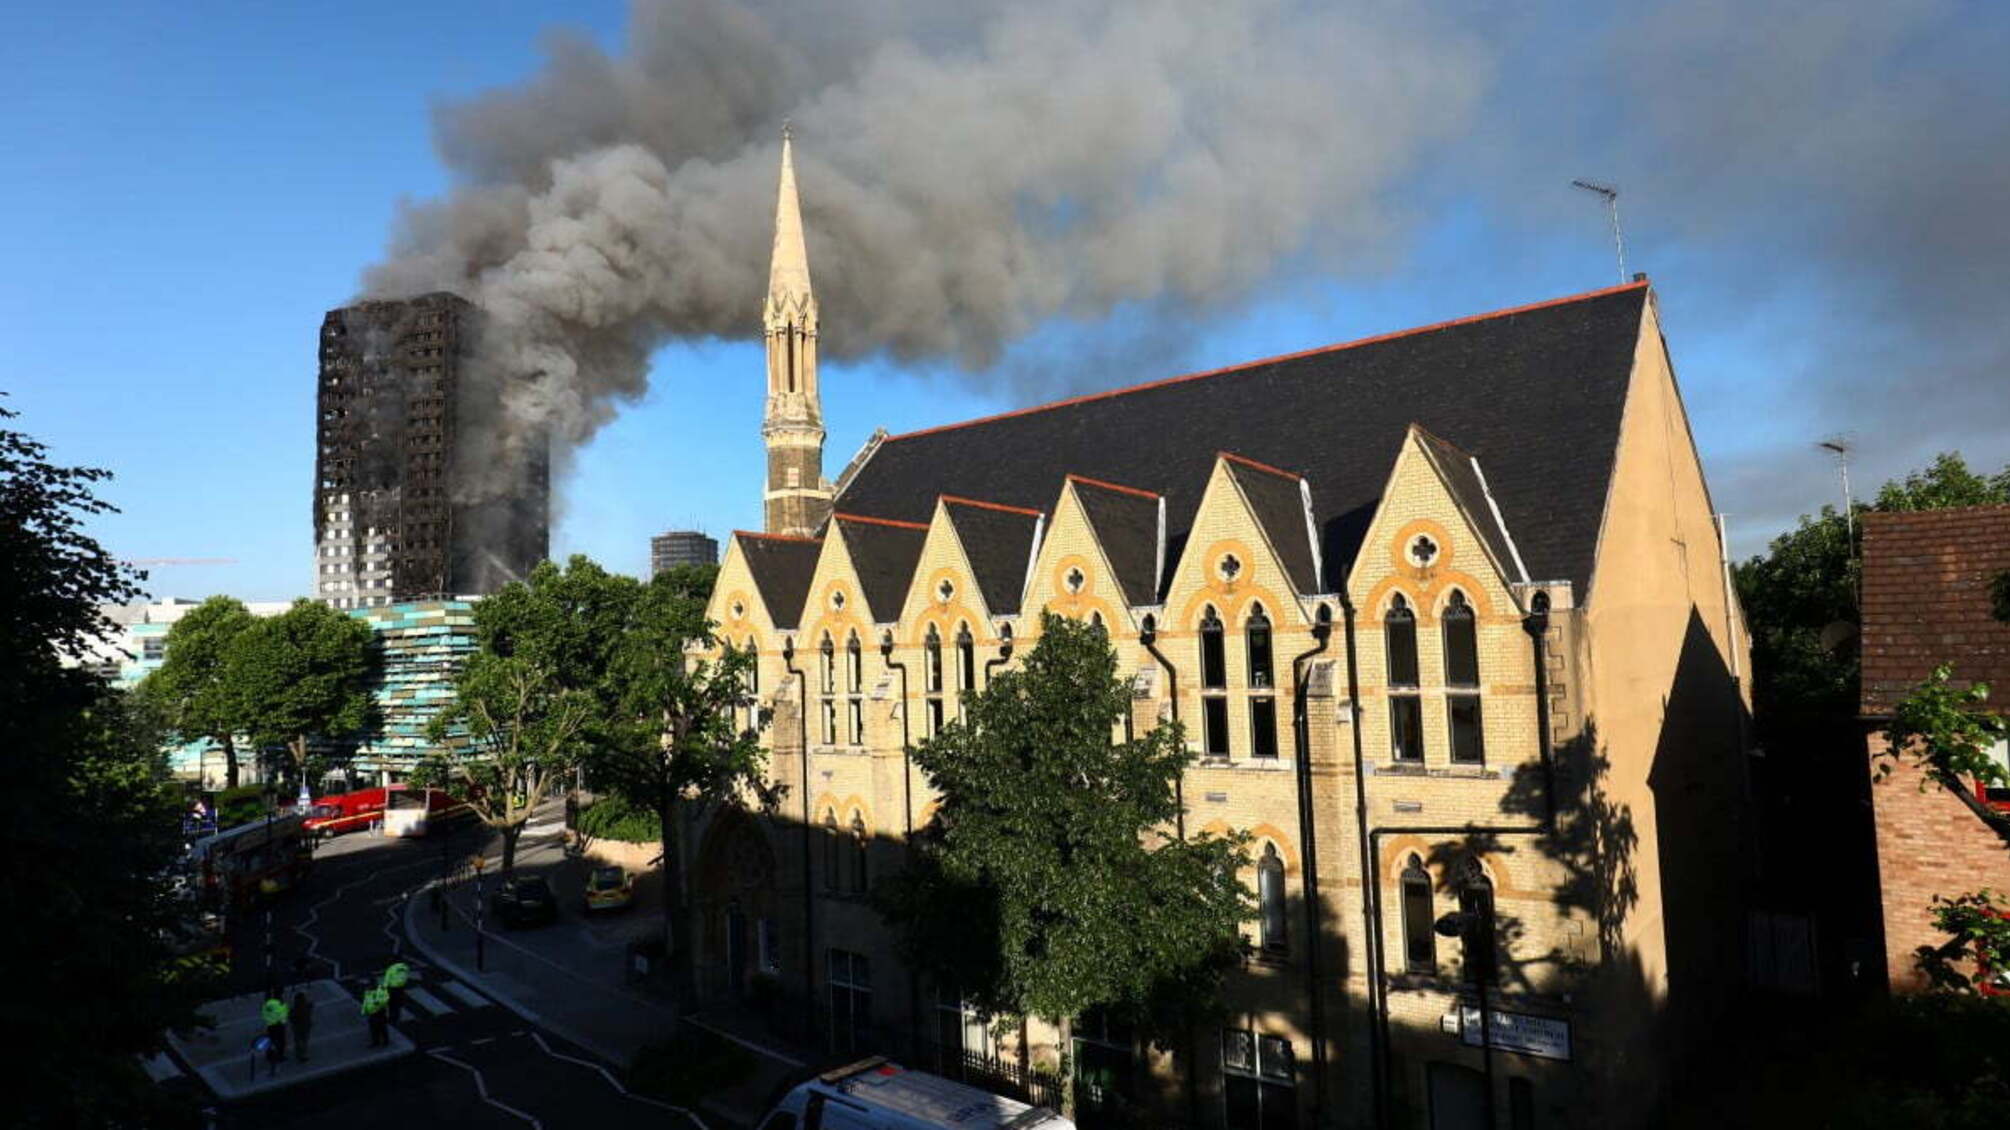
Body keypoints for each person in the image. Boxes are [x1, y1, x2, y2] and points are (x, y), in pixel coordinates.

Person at [260, 991, 289, 1067]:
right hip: (278, 1024)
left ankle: (270, 1055)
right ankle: (278, 1055)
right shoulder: (277, 1003)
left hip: (271, 1024)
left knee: (272, 1039)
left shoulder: (267, 1004)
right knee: (280, 1041)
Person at [289, 988, 315, 1063]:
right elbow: (312, 1005)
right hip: (305, 1025)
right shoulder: (307, 1006)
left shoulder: (294, 1009)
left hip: (298, 1026)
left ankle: (299, 1053)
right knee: (304, 1040)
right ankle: (303, 1054)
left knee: (298, 1040)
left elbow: (291, 1017)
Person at [382, 959, 411, 1024]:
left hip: (394, 993)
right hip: (396, 993)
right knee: (395, 1008)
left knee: (393, 1007)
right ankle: (393, 1019)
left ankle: (392, 1019)